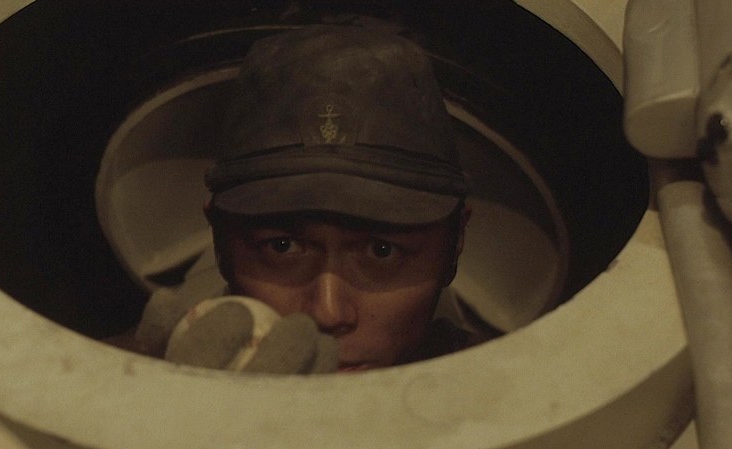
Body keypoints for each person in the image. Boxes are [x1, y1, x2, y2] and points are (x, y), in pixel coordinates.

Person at [130, 24, 482, 373]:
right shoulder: (125, 384)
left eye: (382, 250)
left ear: (455, 242)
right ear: (220, 243)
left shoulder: (506, 390)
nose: (327, 313)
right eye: (281, 247)